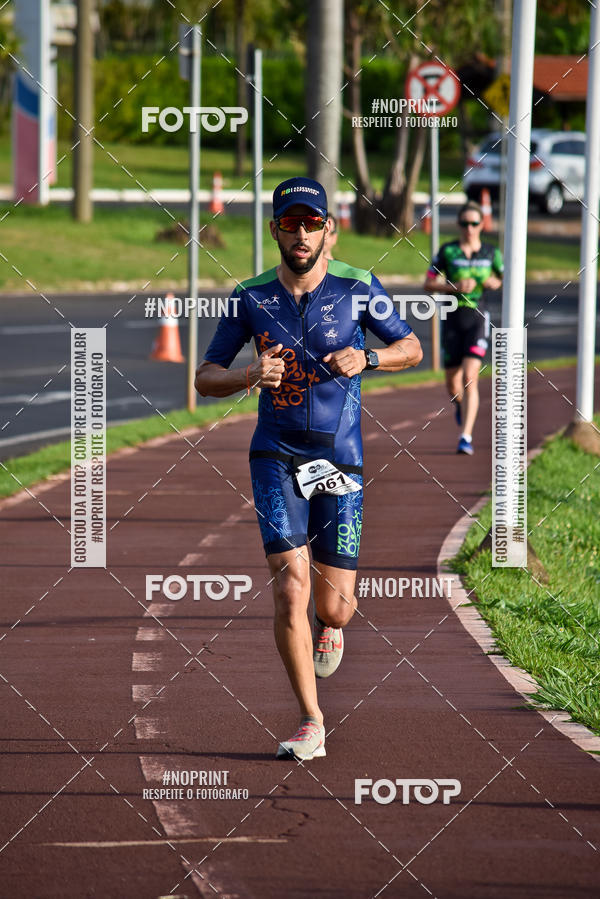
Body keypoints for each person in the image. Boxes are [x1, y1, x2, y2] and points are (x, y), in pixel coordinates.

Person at [195, 177, 422, 761]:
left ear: (330, 229)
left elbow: (413, 348)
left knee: (334, 604)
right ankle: (310, 720)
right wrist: (249, 376)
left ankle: (333, 623)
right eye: (290, 223)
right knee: (289, 584)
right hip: (275, 453)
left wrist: (368, 356)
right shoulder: (249, 296)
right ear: (274, 229)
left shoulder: (358, 286)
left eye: (311, 223)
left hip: (339, 457)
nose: (301, 234)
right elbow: (204, 376)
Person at [423, 200, 503, 455]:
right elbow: (428, 283)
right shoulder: (448, 252)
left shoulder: (492, 253)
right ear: (459, 224)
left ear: (481, 225)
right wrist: (453, 287)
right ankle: (459, 405)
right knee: (453, 384)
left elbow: (501, 278)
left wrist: (493, 282)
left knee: (470, 377)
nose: (470, 228)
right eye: (465, 223)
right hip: (452, 319)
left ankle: (465, 437)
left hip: (478, 319)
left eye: (475, 223)